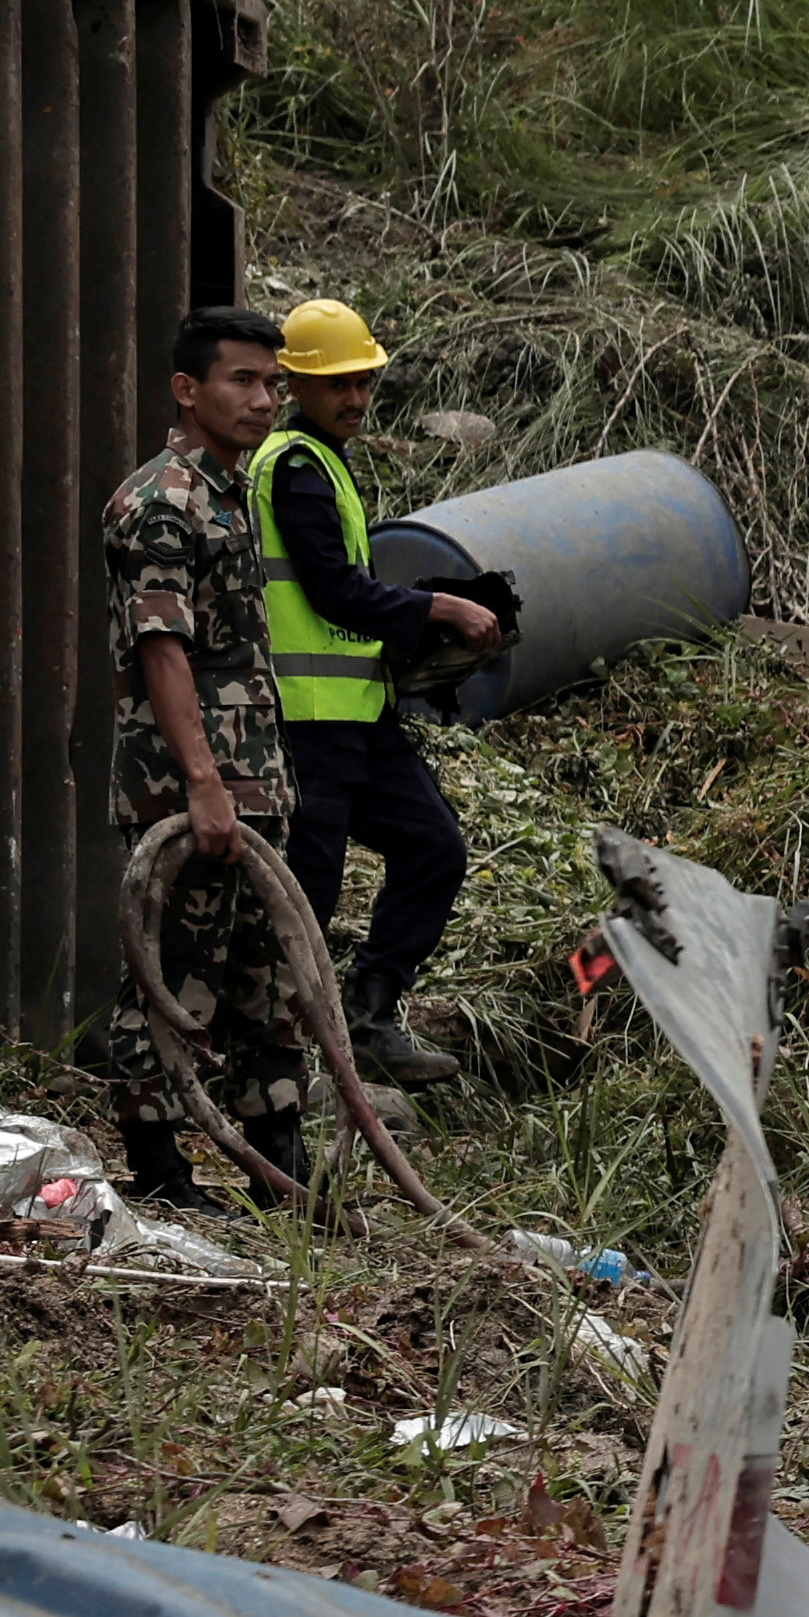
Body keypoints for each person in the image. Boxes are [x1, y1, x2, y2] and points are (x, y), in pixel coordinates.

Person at [87, 311, 314, 1207]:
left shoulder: (229, 490)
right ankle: (159, 1174)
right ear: (188, 391)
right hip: (190, 788)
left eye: (271, 384)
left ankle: (280, 1169)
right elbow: (161, 649)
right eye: (242, 382)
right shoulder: (160, 501)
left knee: (271, 972)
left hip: (253, 779)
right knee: (174, 972)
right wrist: (204, 785)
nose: (262, 400)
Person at [248, 297, 494, 1086]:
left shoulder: (325, 462)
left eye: (363, 383)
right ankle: (285, 1066)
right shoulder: (293, 466)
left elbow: (345, 597)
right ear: (293, 386)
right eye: (336, 386)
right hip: (309, 727)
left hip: (358, 720)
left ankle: (370, 1008)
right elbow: (331, 591)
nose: (354, 399)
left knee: (435, 847)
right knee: (307, 902)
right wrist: (436, 608)